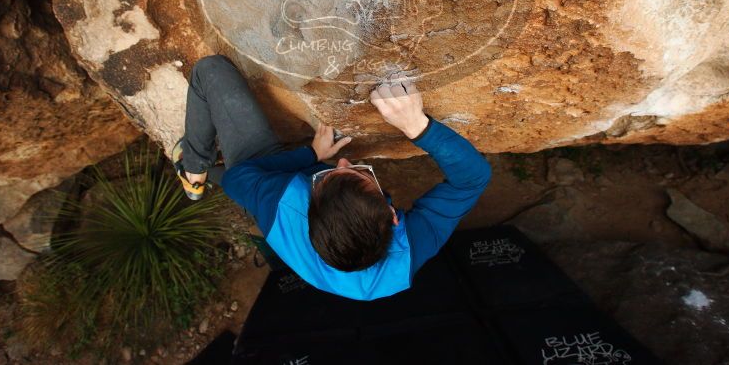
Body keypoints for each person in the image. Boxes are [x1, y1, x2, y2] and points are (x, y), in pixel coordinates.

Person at [174, 55, 492, 301]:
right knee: (236, 180)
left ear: (311, 200)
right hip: (303, 227)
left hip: (268, 191)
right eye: (357, 172)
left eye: (330, 174)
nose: (342, 160)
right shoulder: (409, 252)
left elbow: (240, 178)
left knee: (211, 71)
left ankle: (193, 171)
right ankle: (199, 177)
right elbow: (472, 179)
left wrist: (311, 156)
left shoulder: (285, 201)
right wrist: (417, 126)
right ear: (393, 217)